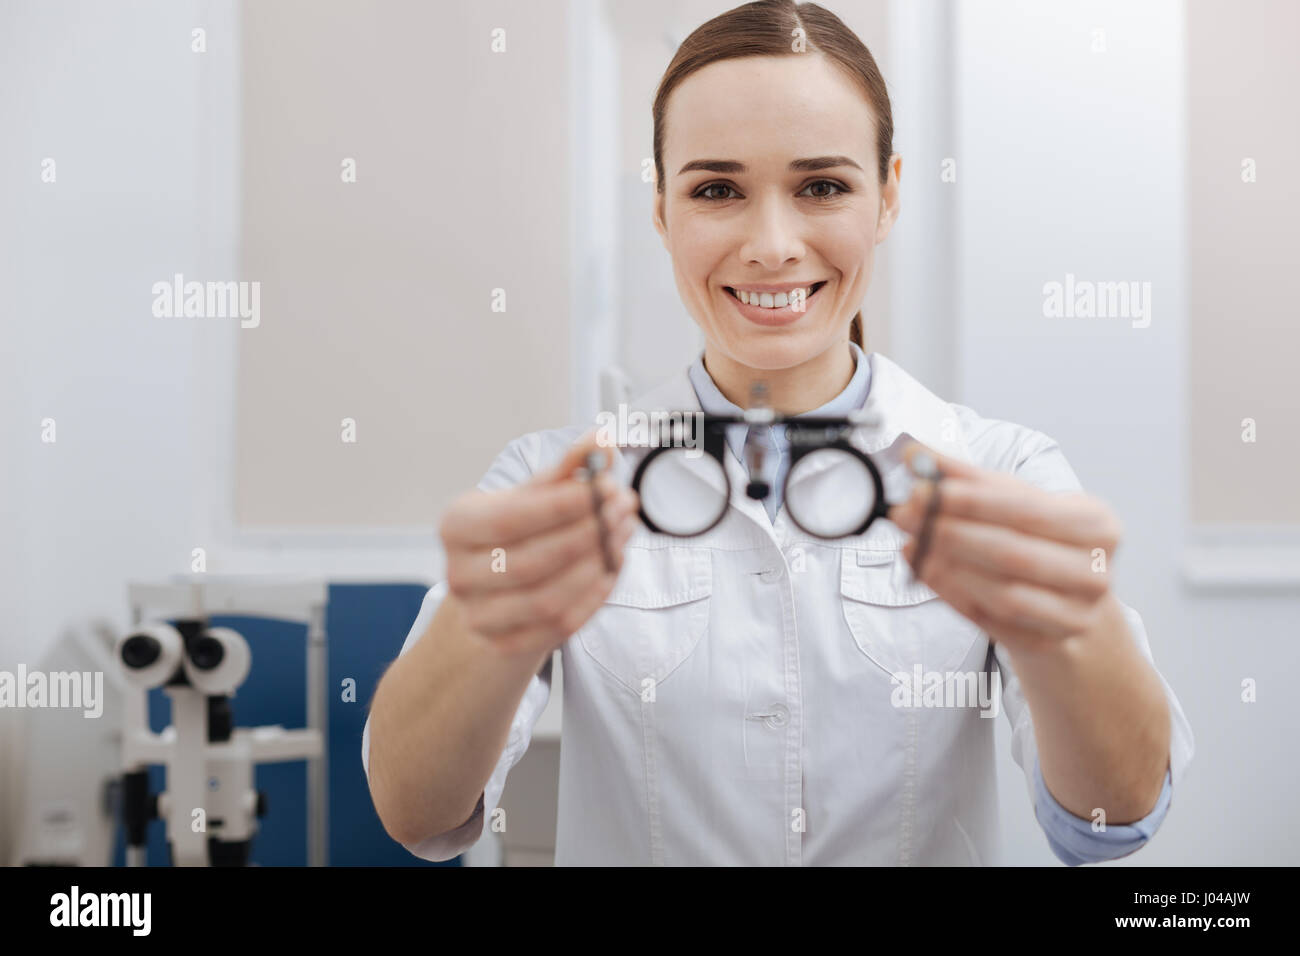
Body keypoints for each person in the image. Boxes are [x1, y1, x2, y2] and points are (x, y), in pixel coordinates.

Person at [363, 0, 1192, 865]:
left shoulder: (1002, 469)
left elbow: (1112, 820)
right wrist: (488, 625)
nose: (771, 244)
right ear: (661, 209)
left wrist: (1070, 629)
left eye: (822, 187)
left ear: (889, 195)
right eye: (717, 189)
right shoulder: (546, 480)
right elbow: (418, 814)